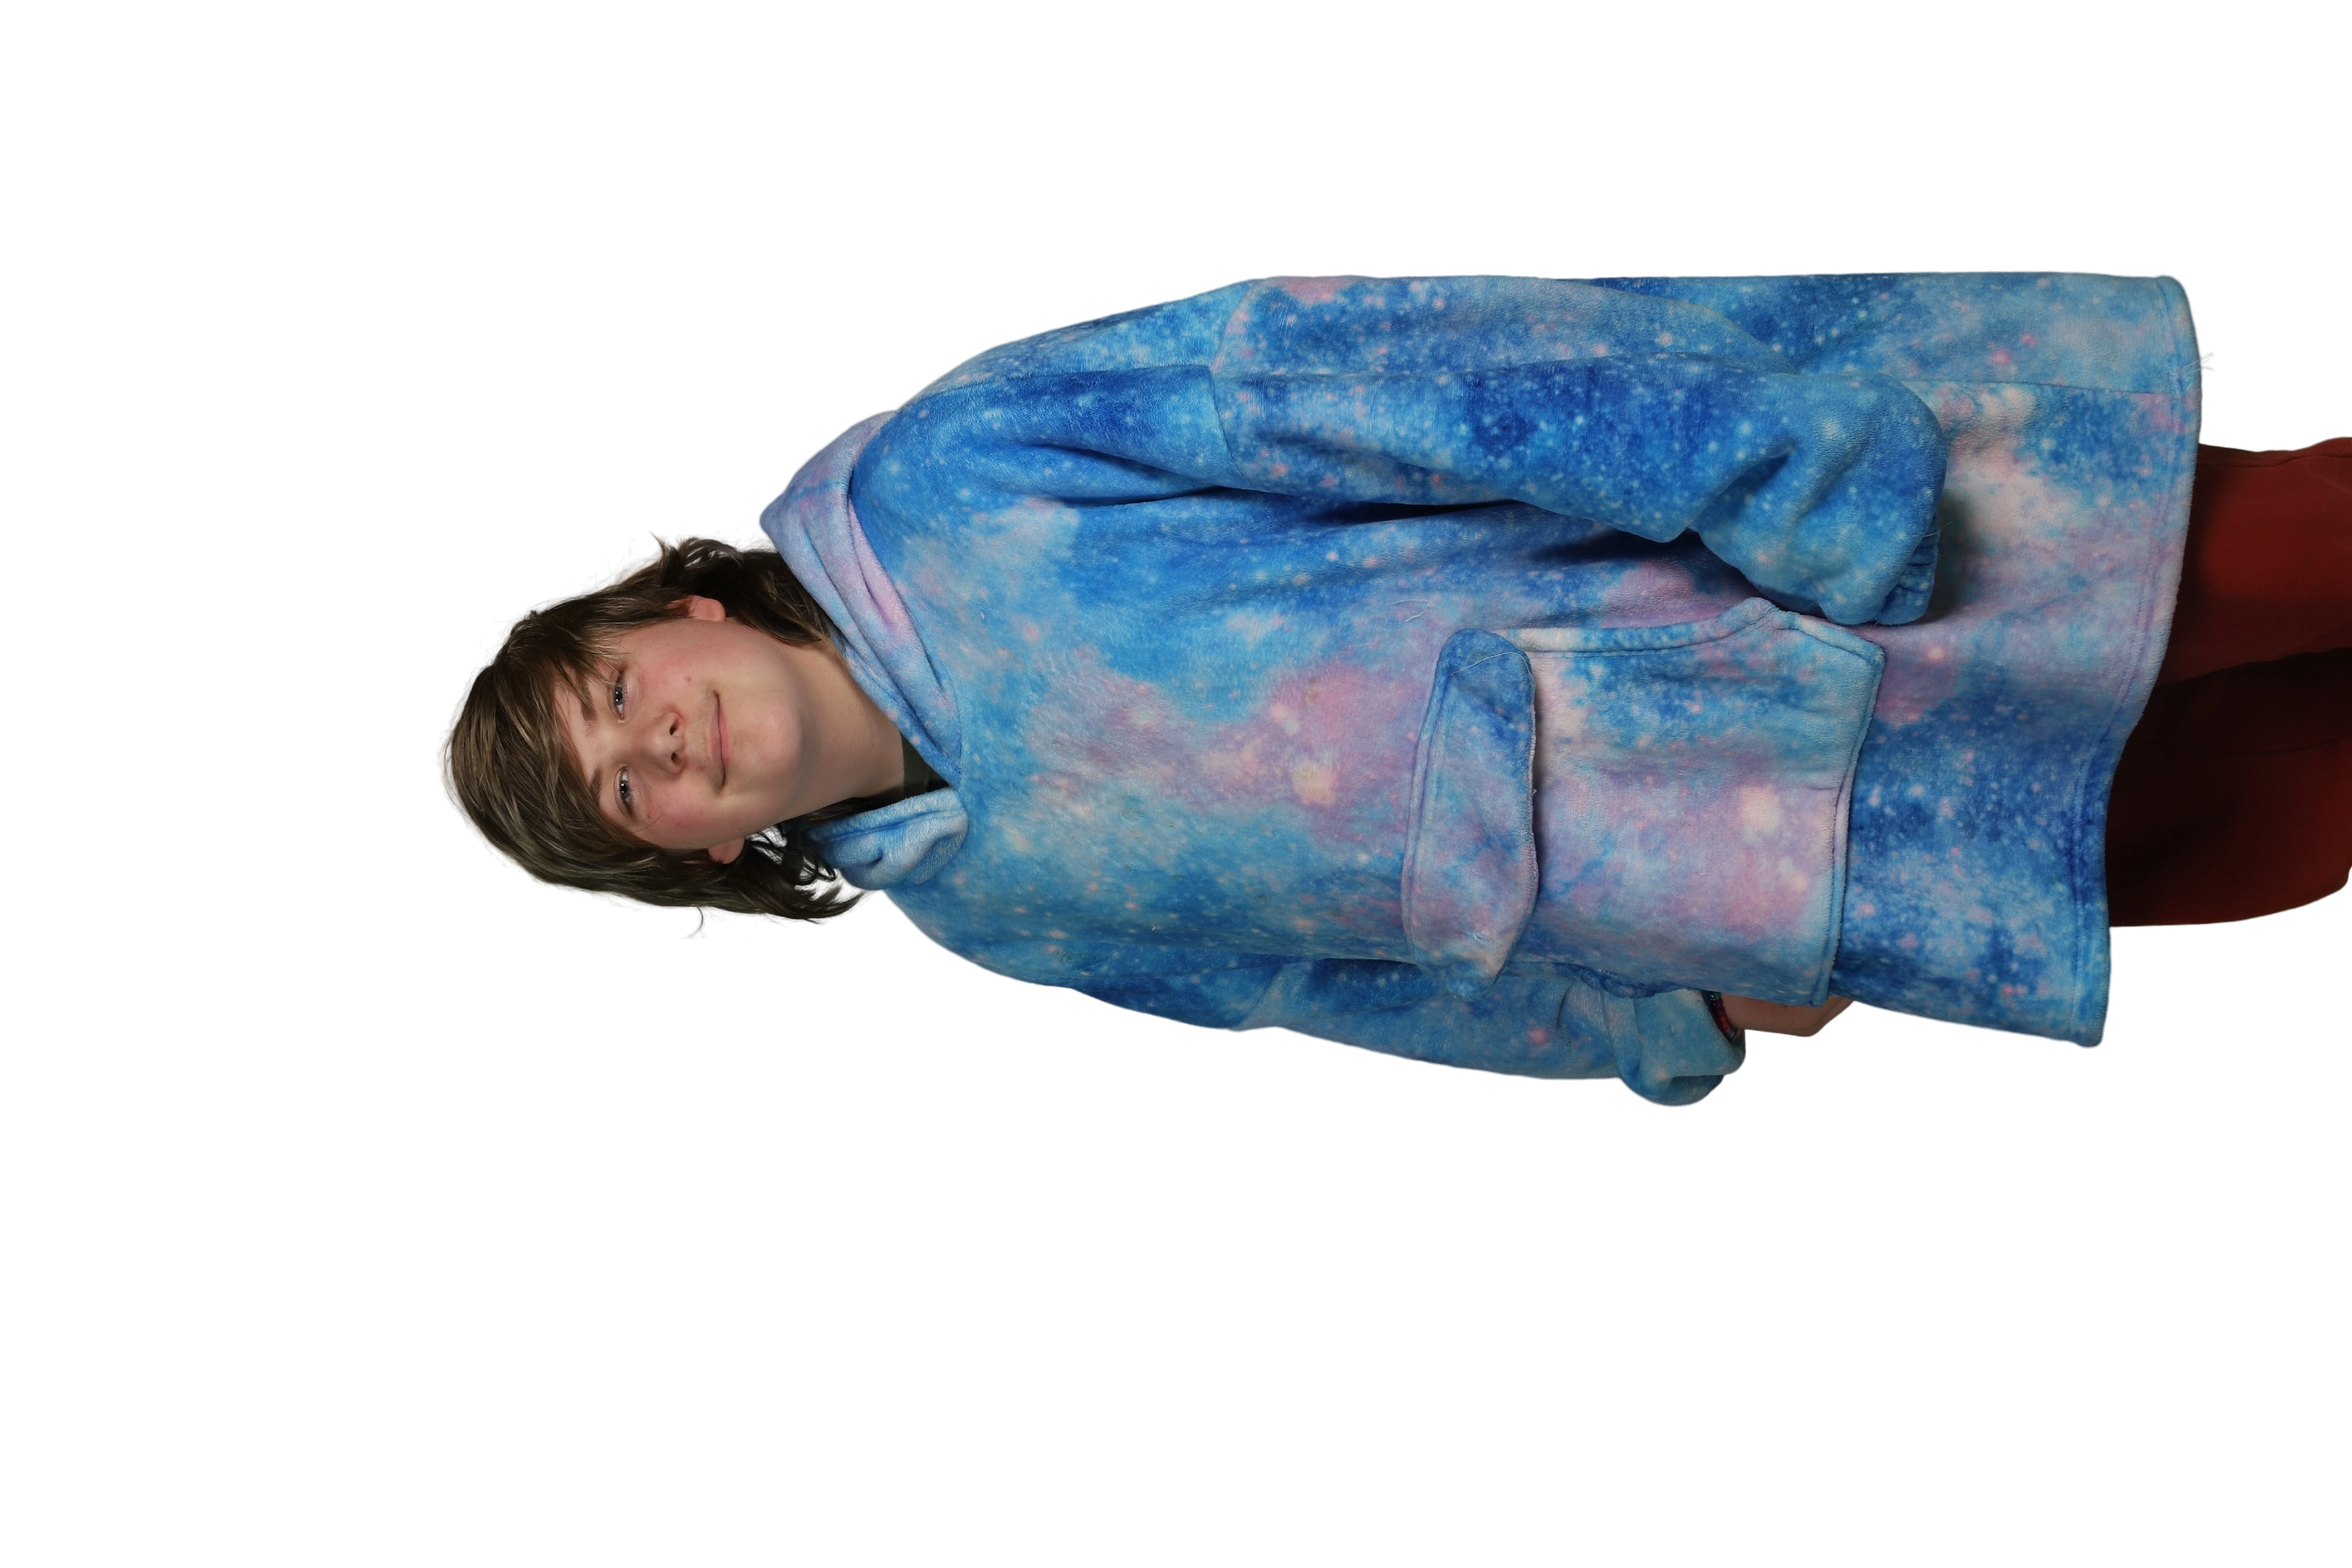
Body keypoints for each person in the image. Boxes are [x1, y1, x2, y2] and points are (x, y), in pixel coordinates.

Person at [434, 271, 2349, 1108]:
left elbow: (1364, 377)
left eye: (618, 692)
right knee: (2269, 828)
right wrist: (1646, 1016)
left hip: (1822, 594)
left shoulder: (957, 476)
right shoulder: (990, 909)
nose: (656, 739)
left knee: (2292, 562)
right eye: (628, 789)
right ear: (702, 853)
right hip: (1785, 862)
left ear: (679, 605)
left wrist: (1778, 466)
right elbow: (1312, 990)